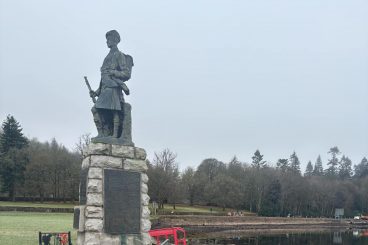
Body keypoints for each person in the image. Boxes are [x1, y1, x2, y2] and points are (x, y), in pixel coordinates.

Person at [90, 30, 133, 143]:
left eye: (109, 39)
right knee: (95, 110)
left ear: (115, 40)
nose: (107, 41)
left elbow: (126, 73)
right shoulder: (107, 57)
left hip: (113, 88)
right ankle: (102, 134)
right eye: (107, 39)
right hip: (105, 89)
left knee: (114, 111)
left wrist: (114, 72)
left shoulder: (119, 55)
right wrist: (96, 92)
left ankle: (114, 136)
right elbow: (104, 78)